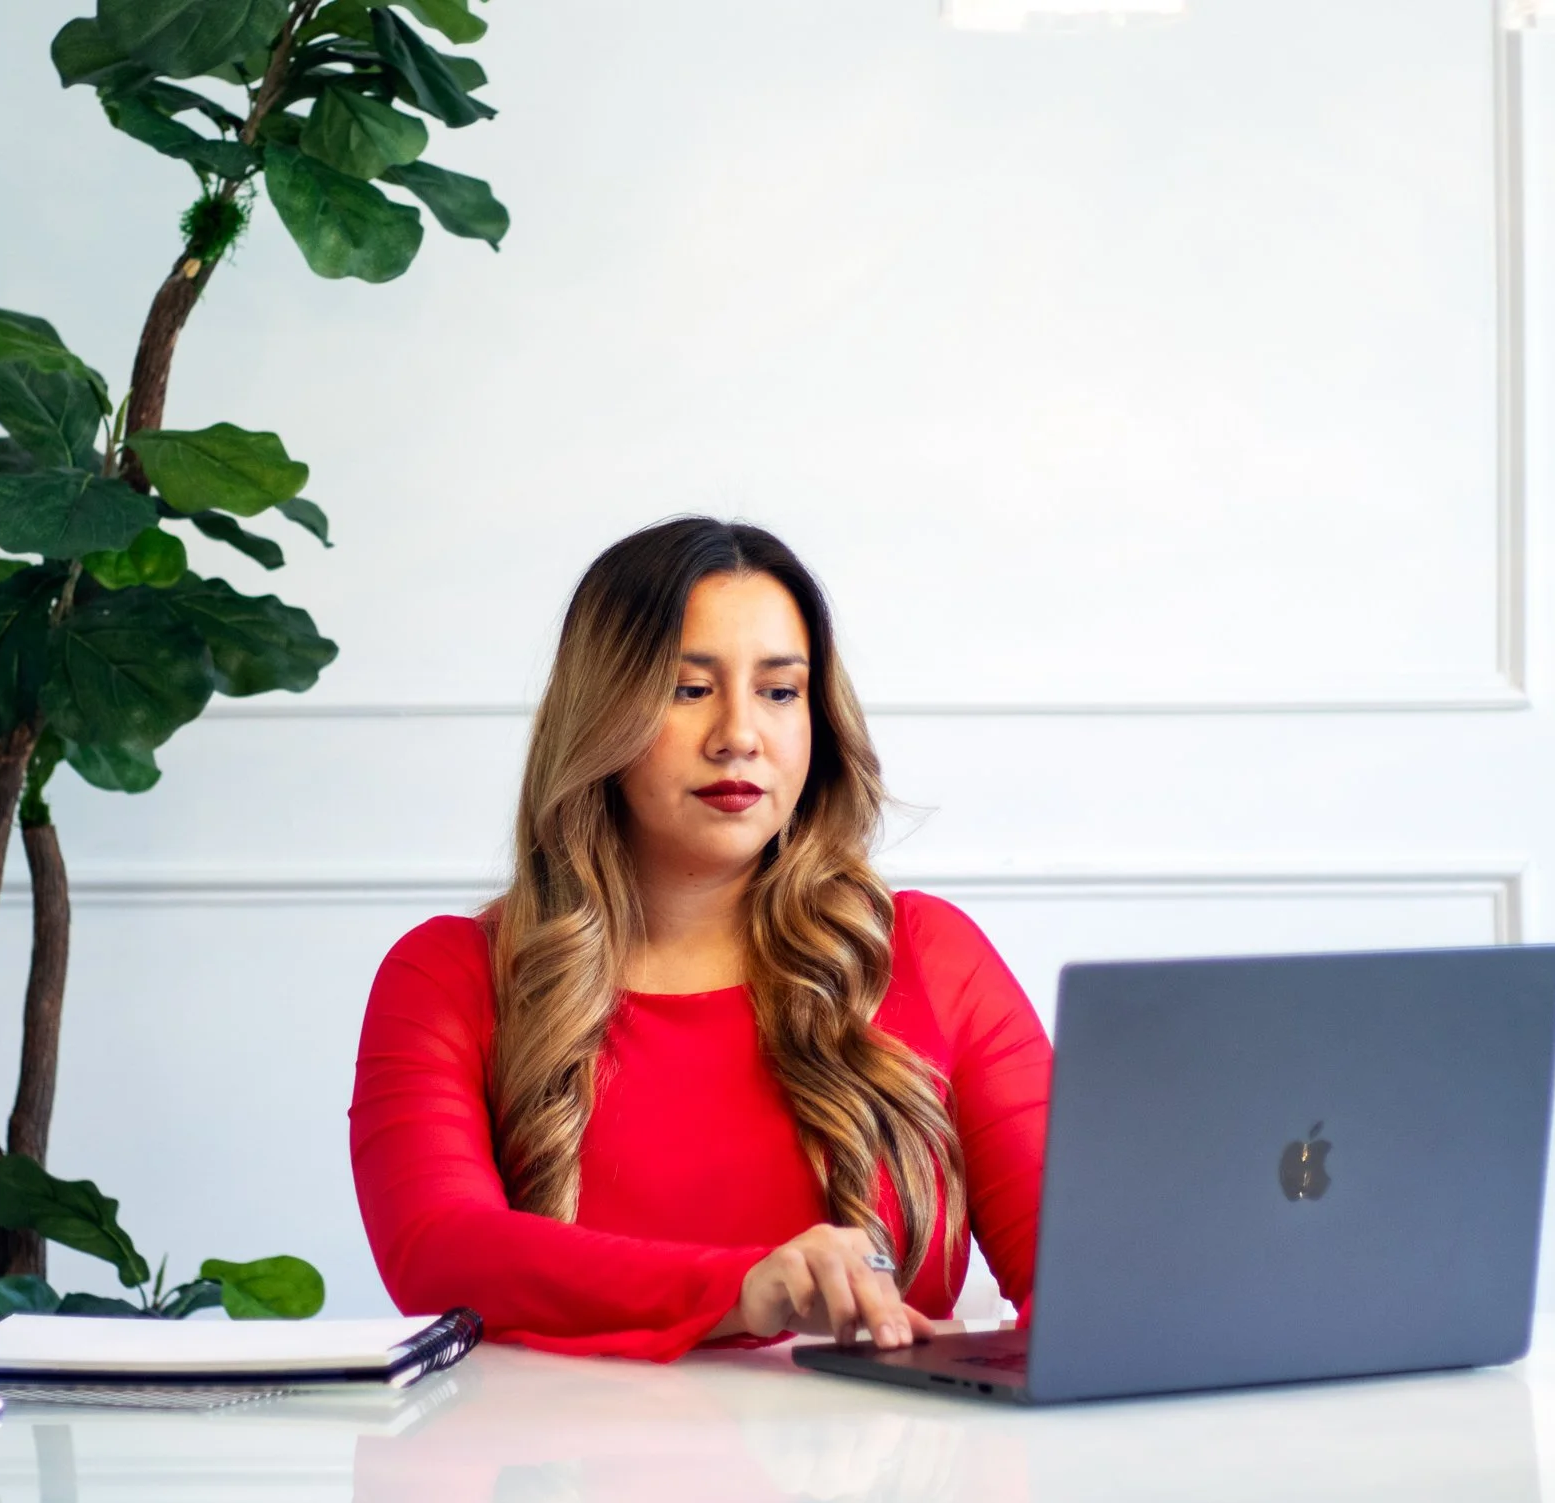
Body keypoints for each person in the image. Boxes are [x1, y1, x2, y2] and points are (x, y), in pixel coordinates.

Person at [349, 516, 1052, 1360]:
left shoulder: (931, 956)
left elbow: (1088, 1278)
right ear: (601, 714)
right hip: (555, 1476)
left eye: (780, 691)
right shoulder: (449, 975)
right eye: (689, 689)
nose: (739, 736)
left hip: (888, 1484)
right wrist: (746, 1288)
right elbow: (438, 1249)